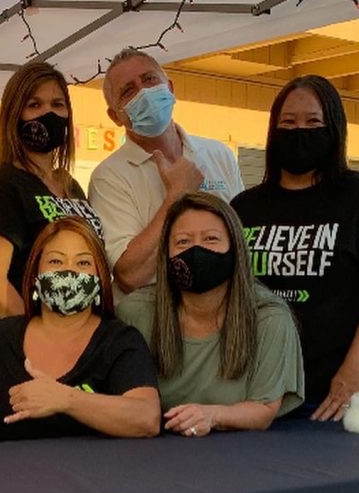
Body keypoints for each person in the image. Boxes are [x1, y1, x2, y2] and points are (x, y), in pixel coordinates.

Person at [230, 75, 359, 422]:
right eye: (288, 122)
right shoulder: (244, 208)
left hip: (334, 398)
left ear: (334, 128)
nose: (299, 130)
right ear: (273, 130)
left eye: (313, 121)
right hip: (256, 397)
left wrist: (354, 369)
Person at [118, 192, 304, 434]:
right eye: (183, 242)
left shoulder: (269, 318)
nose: (197, 250)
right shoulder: (135, 312)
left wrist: (212, 415)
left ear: (235, 247)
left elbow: (264, 409)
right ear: (166, 254)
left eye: (211, 239)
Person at [88, 48, 243, 307]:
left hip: (225, 312)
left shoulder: (218, 154)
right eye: (128, 90)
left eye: (149, 79)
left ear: (170, 88)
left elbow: (241, 240)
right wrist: (175, 196)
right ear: (115, 116)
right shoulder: (109, 177)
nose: (144, 93)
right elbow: (130, 276)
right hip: (156, 321)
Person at [0, 217, 160, 441]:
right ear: (35, 273)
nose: (69, 272)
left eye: (83, 263)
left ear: (99, 276)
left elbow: (146, 418)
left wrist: (66, 400)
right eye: (56, 261)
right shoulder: (1, 339)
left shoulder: (118, 341)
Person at [0, 60, 103, 320]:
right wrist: (39, 338)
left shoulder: (71, 185)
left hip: (81, 336)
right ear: (15, 114)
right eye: (34, 105)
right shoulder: (5, 184)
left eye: (57, 104)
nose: (49, 113)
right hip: (33, 344)